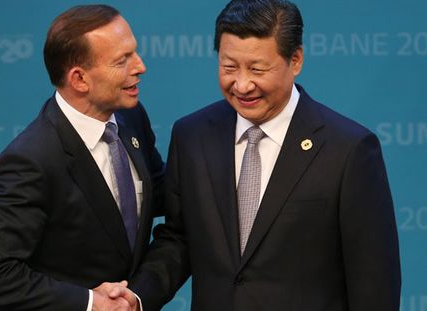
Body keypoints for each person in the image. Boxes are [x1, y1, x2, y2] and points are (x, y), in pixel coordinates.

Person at [122, 0, 401, 310]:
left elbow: (374, 281)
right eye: (229, 67)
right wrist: (136, 297)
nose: (241, 85)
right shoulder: (192, 135)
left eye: (257, 69)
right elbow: (179, 239)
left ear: (295, 60)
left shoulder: (348, 149)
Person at [0, 4, 163, 311]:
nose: (140, 66)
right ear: (79, 79)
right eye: (122, 60)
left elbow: (162, 195)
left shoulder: (131, 118)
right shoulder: (30, 161)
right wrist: (89, 303)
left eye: (134, 53)